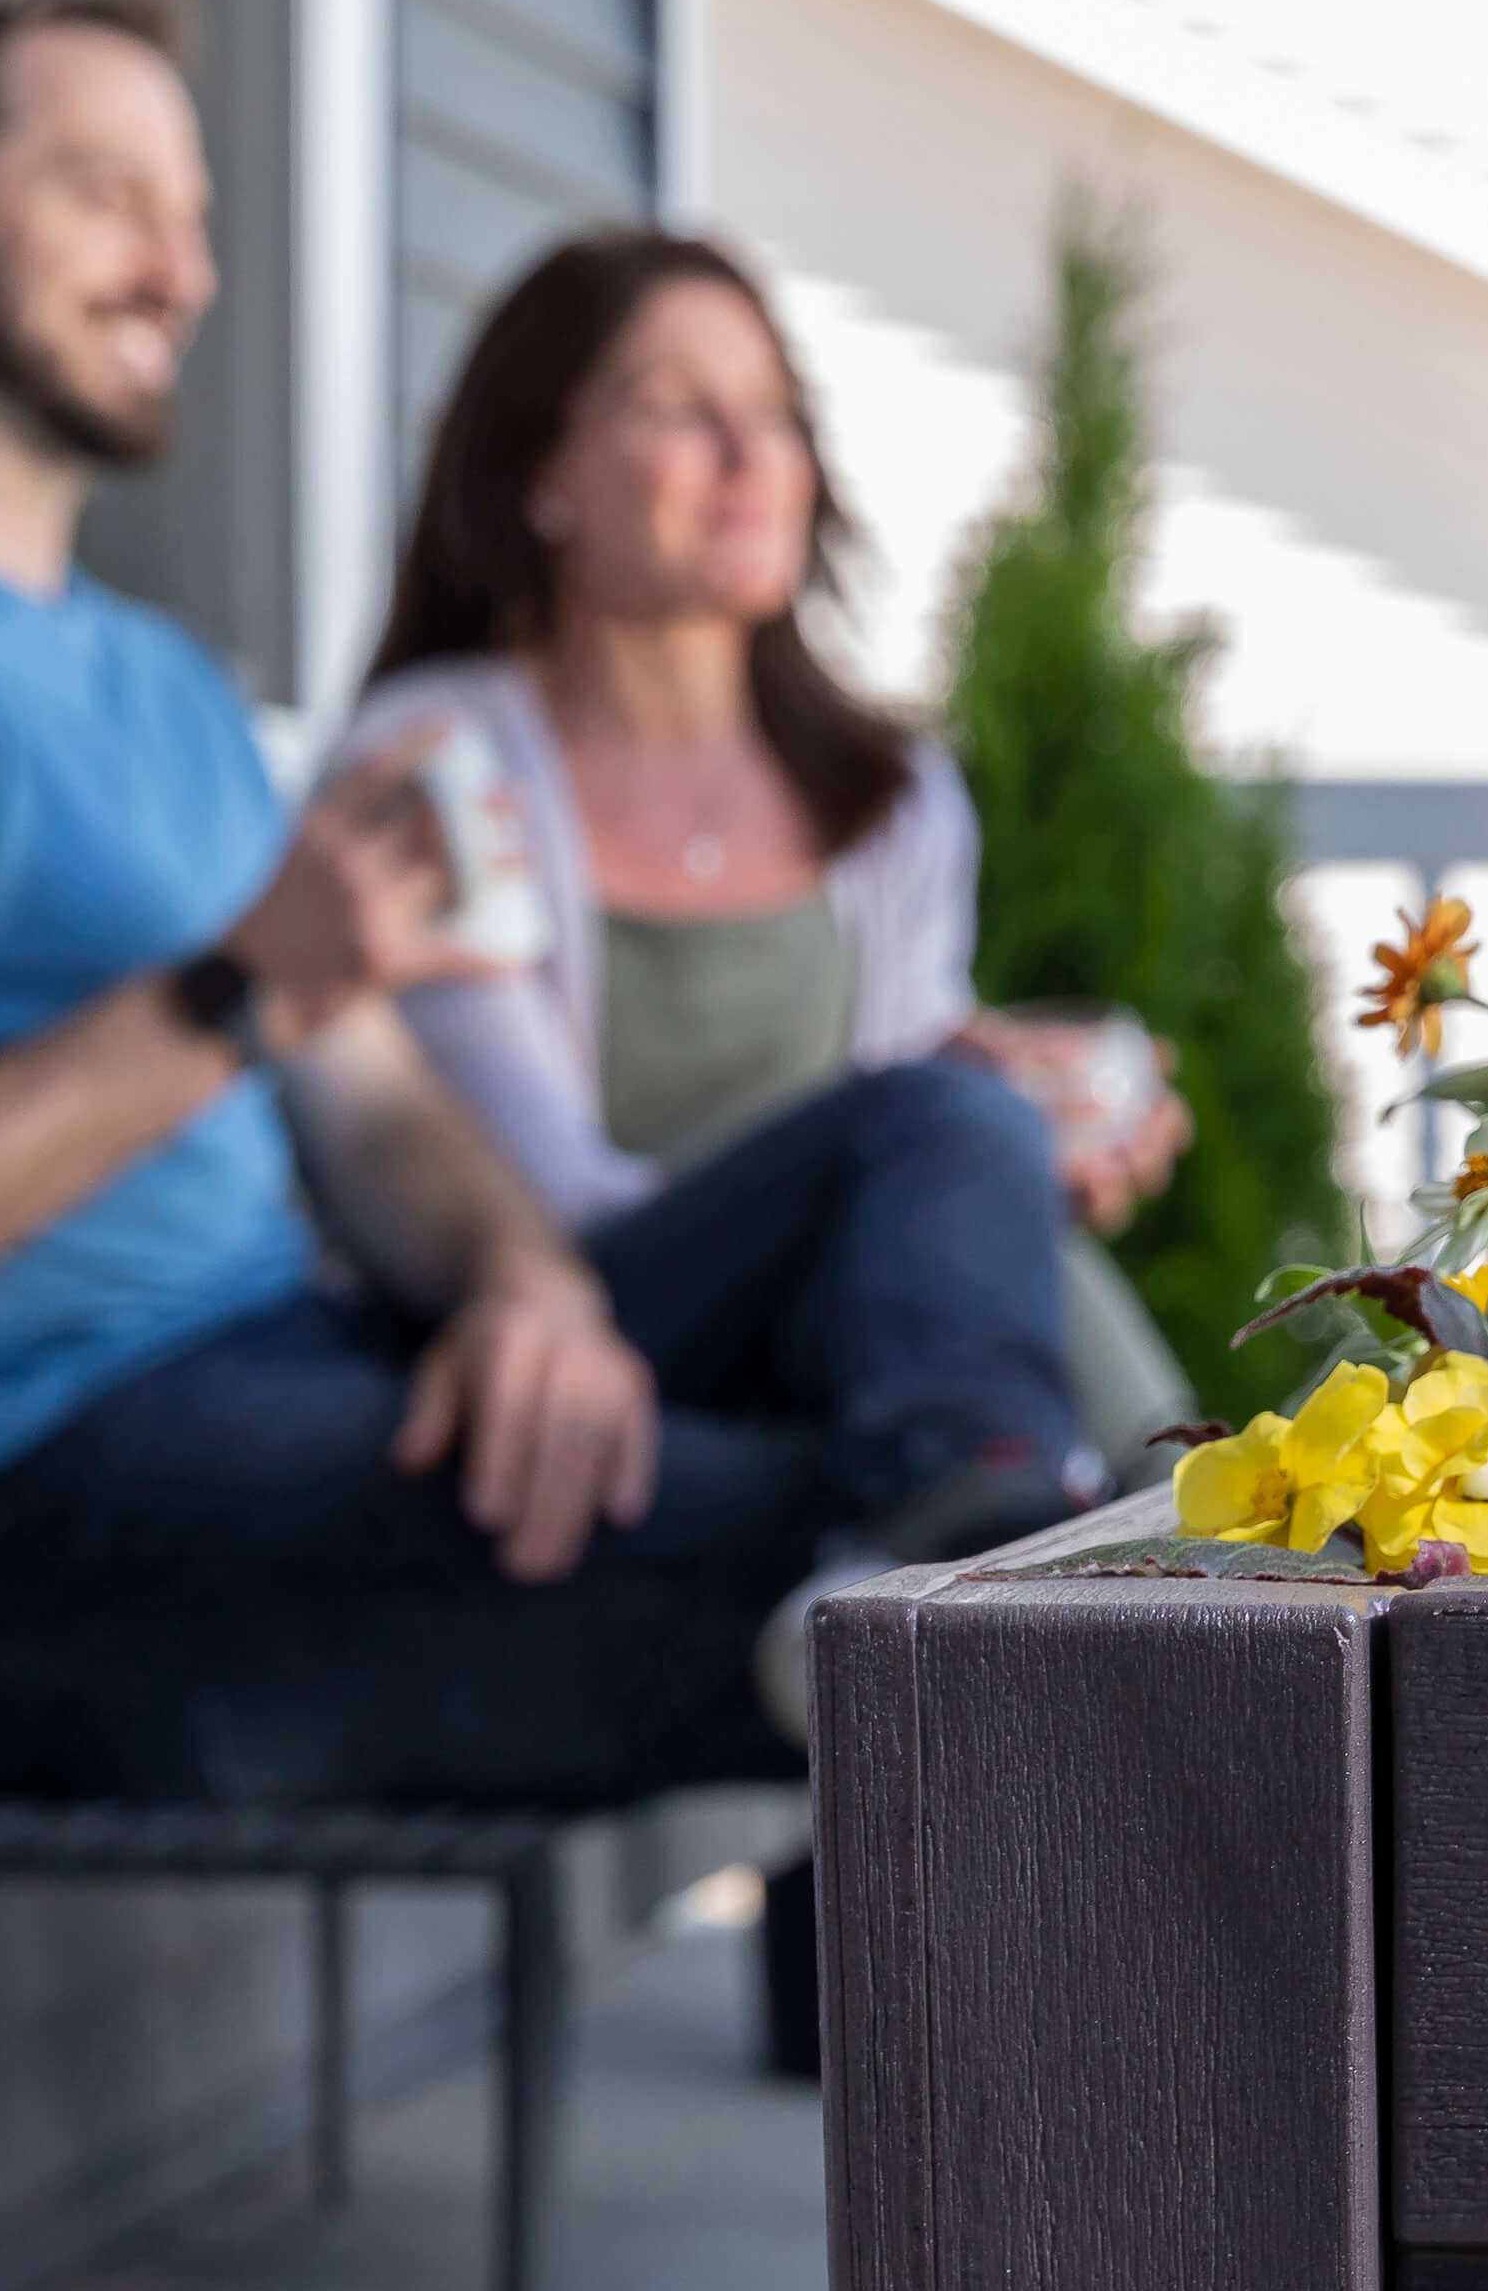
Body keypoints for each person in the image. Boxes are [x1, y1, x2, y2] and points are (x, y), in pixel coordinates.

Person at [0, 0, 1085, 1813]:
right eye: (106, 196)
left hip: (294, 1380)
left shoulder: (157, 684)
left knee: (939, 1135)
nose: (181, 269)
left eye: (194, 214)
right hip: (28, 1526)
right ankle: (997, 1622)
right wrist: (227, 997)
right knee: (949, 1584)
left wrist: (524, 1283)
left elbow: (375, 1105)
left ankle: (986, 1554)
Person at [341, 229, 1196, 1483]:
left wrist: (1013, 1125)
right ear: (544, 475)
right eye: (680, 410)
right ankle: (1138, 1535)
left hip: (830, 1314)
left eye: (777, 414)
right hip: (581, 1304)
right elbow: (546, 1194)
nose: (750, 459)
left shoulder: (893, 794)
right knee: (951, 1150)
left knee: (983, 1168)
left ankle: (1185, 1529)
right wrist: (920, 1142)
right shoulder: (433, 764)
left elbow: (894, 1104)